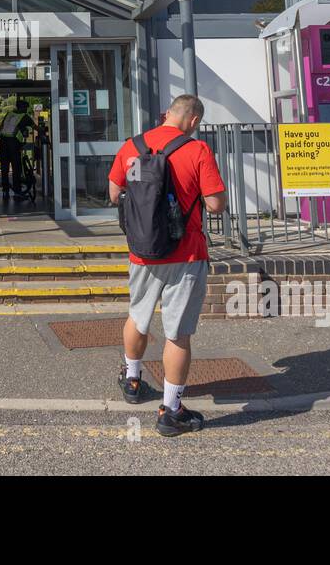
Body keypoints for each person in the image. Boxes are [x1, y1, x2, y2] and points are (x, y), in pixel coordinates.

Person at [107, 94, 227, 437]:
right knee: (177, 333)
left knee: (137, 315)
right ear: (193, 121)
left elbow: (115, 194)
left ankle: (132, 381)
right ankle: (171, 410)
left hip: (142, 252)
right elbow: (215, 204)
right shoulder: (197, 150)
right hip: (186, 254)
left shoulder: (132, 145)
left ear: (167, 114)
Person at [0, 98, 36, 206]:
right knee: (16, 168)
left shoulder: (9, 114)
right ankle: (17, 192)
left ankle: (5, 191)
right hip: (14, 144)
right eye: (26, 108)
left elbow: (1, 127)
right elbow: (35, 127)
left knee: (4, 168)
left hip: (3, 142)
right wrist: (42, 132)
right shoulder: (24, 116)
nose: (26, 110)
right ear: (23, 108)